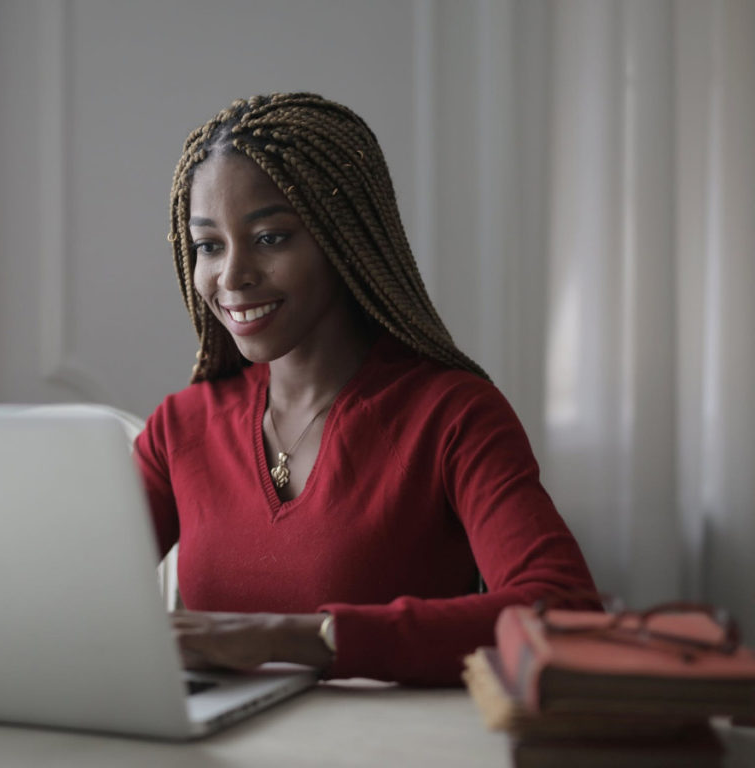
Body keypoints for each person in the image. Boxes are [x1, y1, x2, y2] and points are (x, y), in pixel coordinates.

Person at [133, 93, 597, 686]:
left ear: (343, 238)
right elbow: (67, 598)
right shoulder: (181, 427)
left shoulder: (452, 415)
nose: (231, 275)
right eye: (209, 245)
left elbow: (565, 610)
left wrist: (296, 638)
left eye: (271, 237)